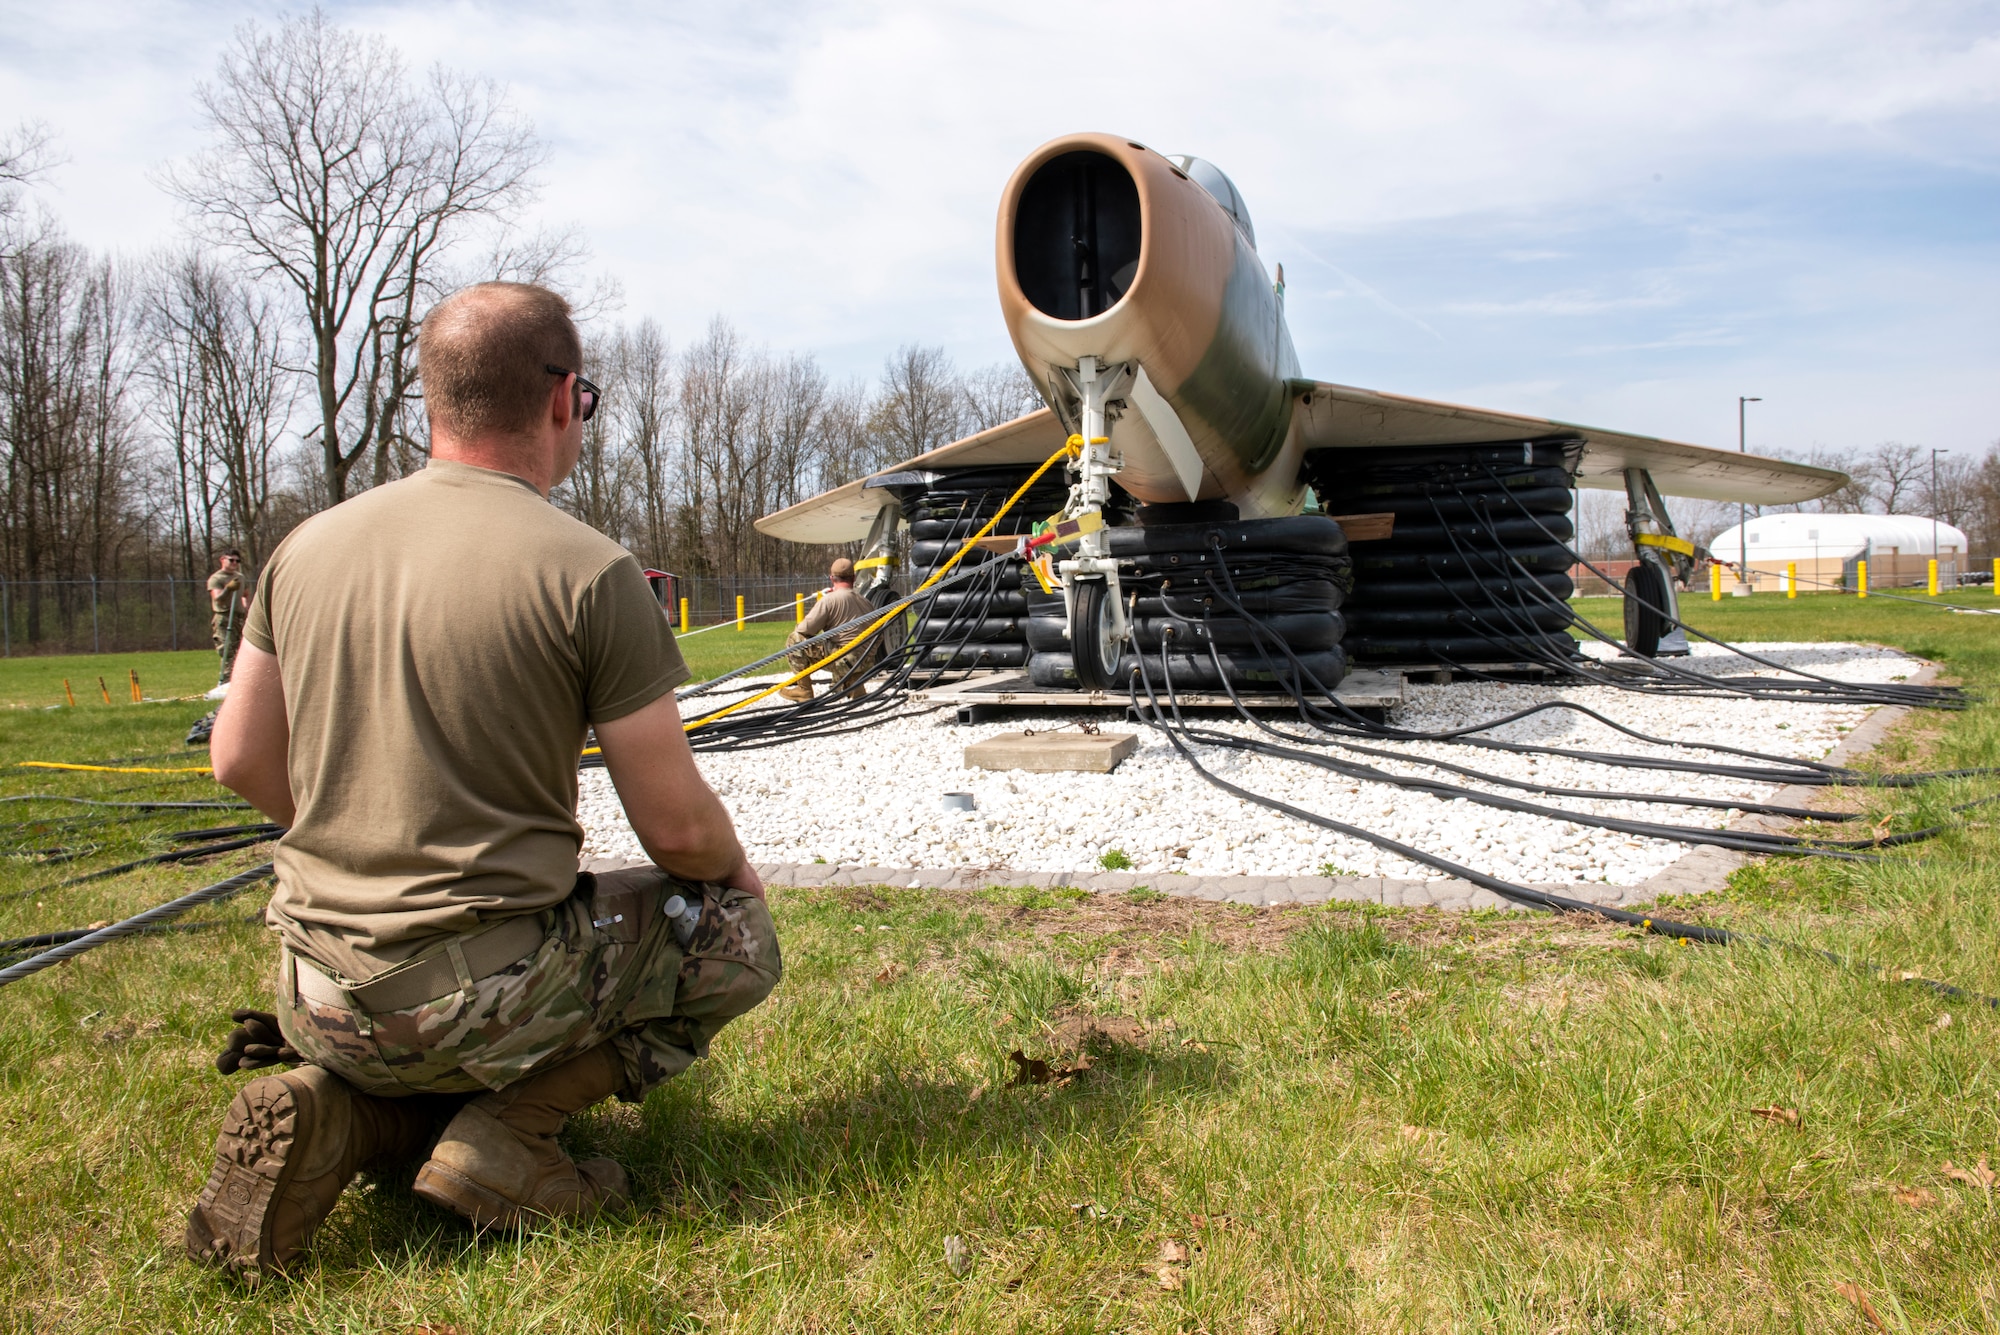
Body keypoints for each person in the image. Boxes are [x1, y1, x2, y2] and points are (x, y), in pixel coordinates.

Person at [185, 281, 781, 1283]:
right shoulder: (589, 573)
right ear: (564, 399)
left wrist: (357, 822)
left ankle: (348, 1117)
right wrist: (737, 887)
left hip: (314, 991)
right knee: (735, 941)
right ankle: (508, 1136)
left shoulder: (301, 551)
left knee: (409, 1021)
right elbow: (676, 830)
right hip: (476, 999)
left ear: (431, 401)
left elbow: (237, 758)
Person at [779, 557, 882, 702]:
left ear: (832, 578)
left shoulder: (829, 600)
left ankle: (804, 690)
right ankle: (855, 685)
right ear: (853, 578)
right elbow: (879, 635)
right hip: (867, 662)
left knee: (794, 640)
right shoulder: (866, 602)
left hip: (844, 662)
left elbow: (804, 630)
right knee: (844, 644)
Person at [208, 549, 250, 684]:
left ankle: (240, 682)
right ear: (222, 560)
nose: (234, 563)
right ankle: (226, 682)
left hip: (239, 617)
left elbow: (245, 595)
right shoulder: (216, 578)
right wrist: (228, 589)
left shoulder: (240, 577)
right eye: (231, 560)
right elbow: (218, 599)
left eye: (237, 561)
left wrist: (245, 608)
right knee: (227, 650)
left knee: (242, 651)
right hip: (224, 617)